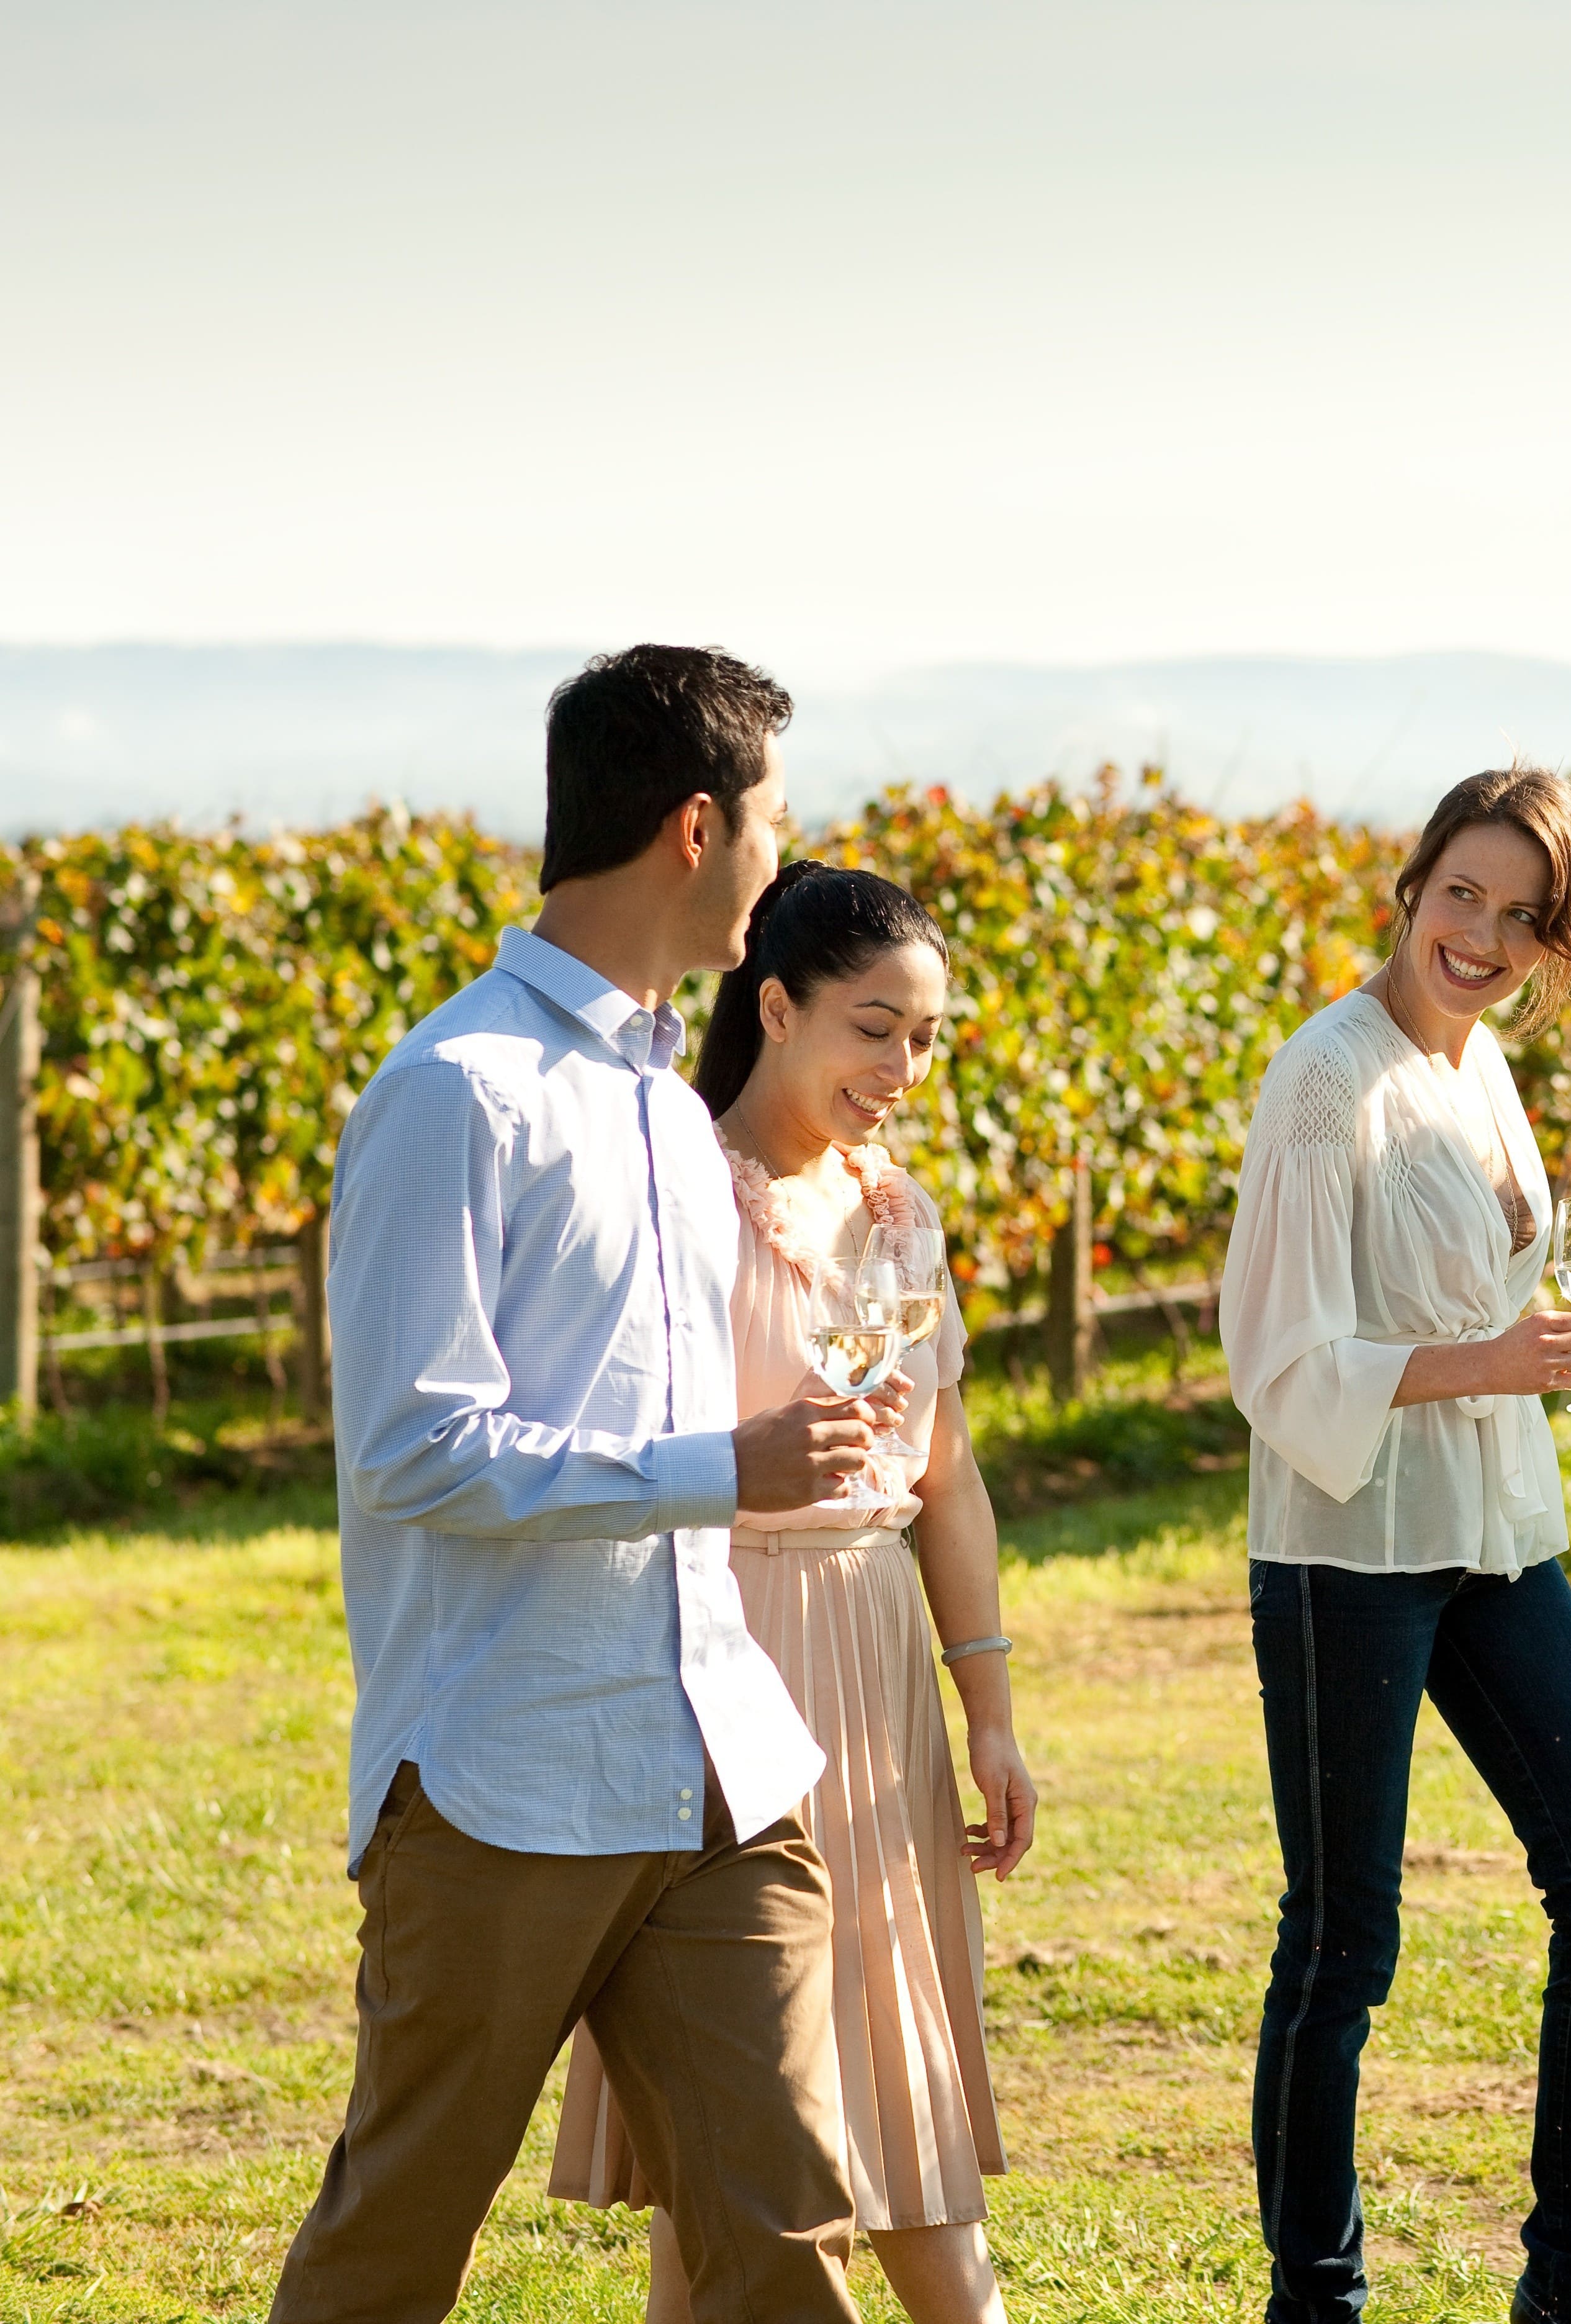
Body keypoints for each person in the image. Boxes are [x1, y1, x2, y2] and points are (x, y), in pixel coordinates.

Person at [274, 646, 899, 2324]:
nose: (784, 860)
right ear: (697, 829)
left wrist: (804, 1438)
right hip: (504, 1775)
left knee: (786, 2235)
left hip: (717, 1766)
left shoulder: (661, 1098)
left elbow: (666, 1398)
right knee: (394, 2244)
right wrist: (721, 1465)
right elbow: (418, 1447)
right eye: (773, 822)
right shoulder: (452, 1095)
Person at [549, 862, 1040, 2324]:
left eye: (928, 1038)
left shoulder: (901, 1214)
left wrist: (992, 1715)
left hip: (878, 1663)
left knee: (890, 2083)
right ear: (776, 1004)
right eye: (874, 1029)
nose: (903, 1069)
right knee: (740, 2124)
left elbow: (941, 1475)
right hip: (724, 1657)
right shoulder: (677, 1191)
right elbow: (607, 1446)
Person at [1217, 766, 1571, 2324]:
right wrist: (1491, 1359)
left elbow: (1487, 1304)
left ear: (1553, 944)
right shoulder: (1326, 1078)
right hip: (1348, 1549)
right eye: (1463, 895)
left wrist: (1538, 1349)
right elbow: (1276, 1359)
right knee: (1343, 1943)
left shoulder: (1481, 1072)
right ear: (1413, 889)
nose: (1481, 934)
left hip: (1493, 1532)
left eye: (1523, 916)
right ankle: (1315, 2300)